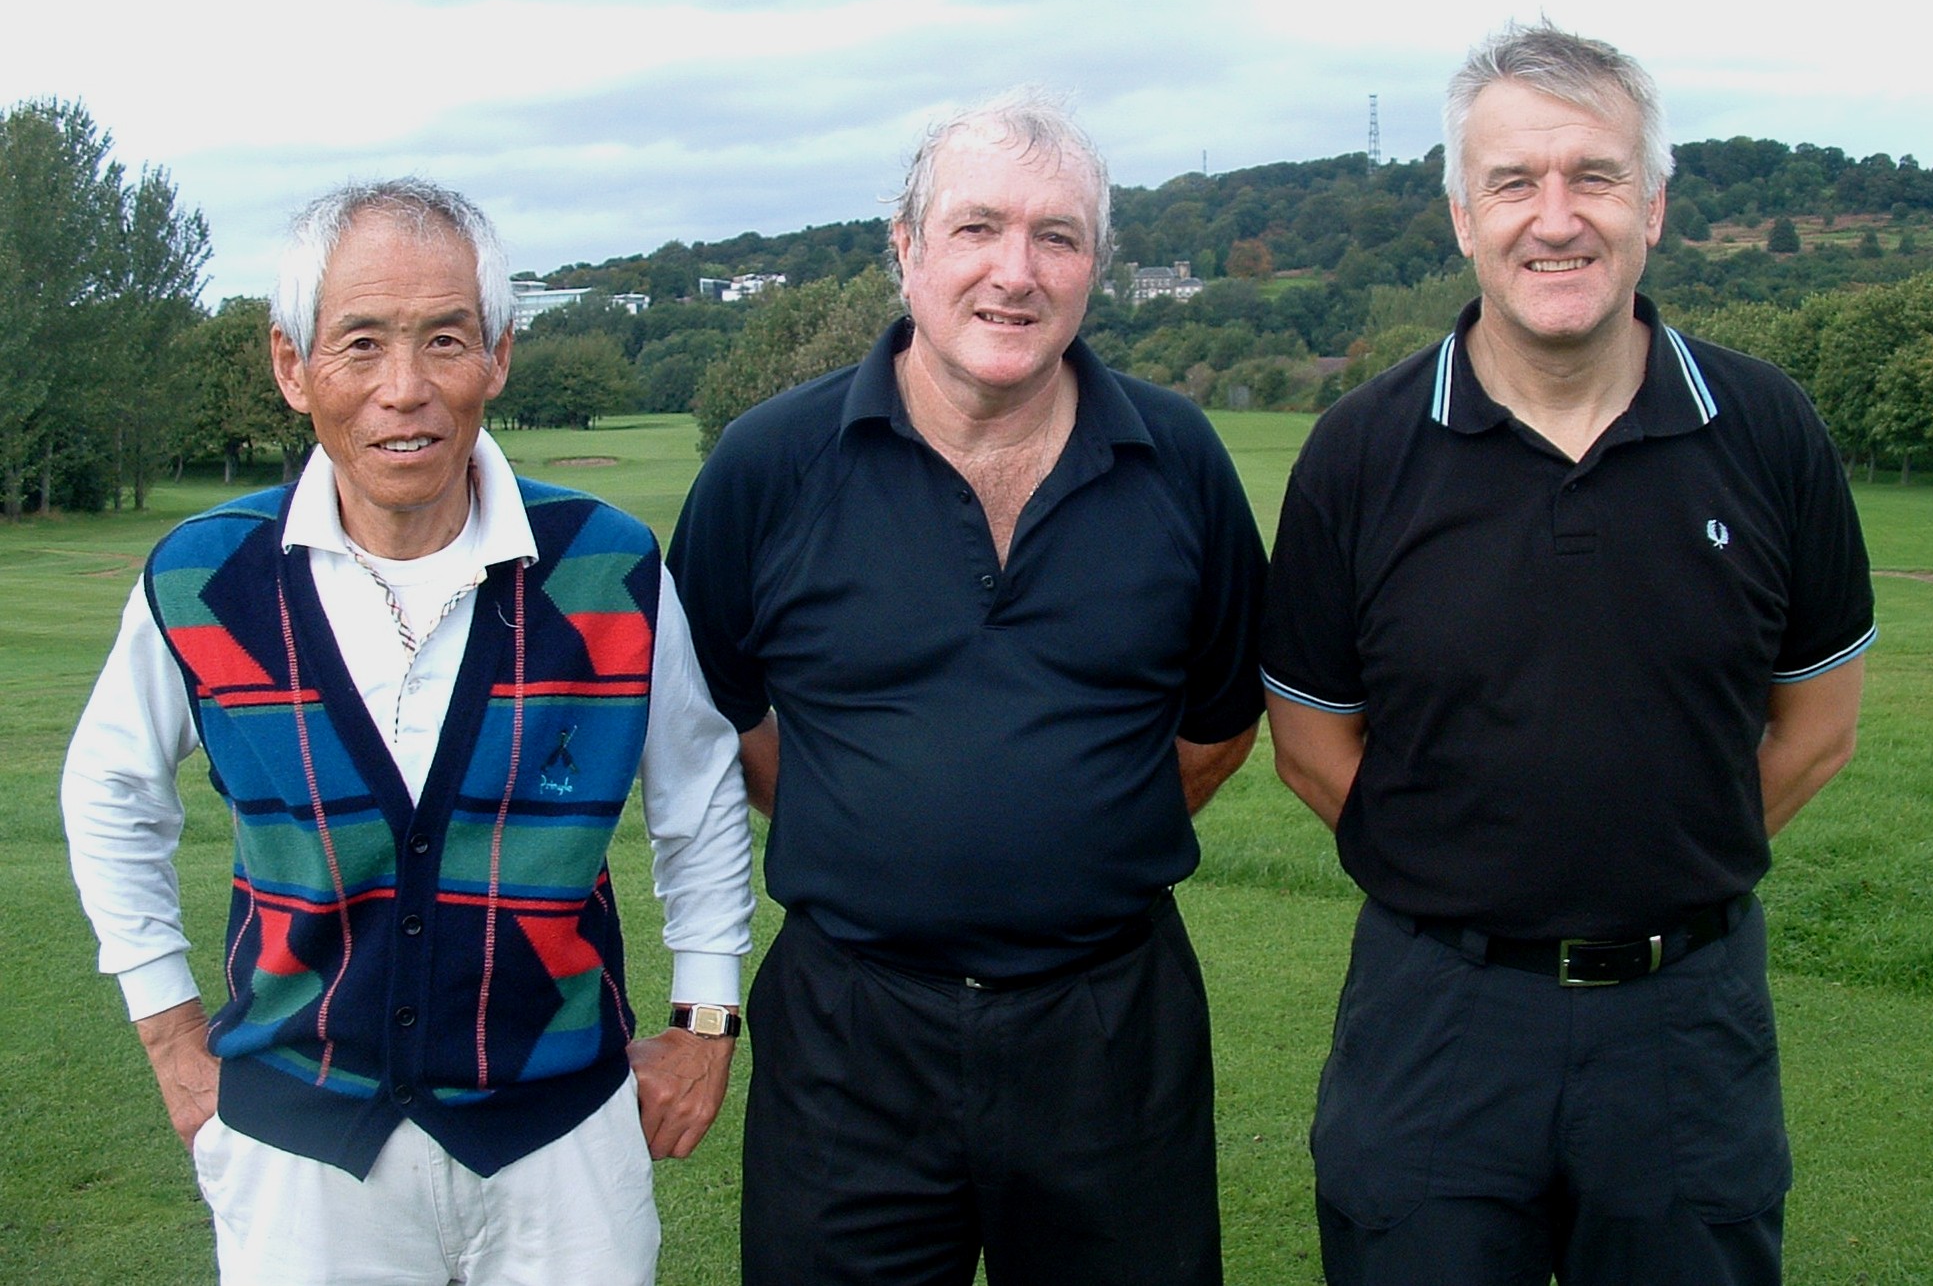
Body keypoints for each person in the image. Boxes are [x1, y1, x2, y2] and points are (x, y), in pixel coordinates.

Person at [1261, 23, 1875, 1286]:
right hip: (1435, 1024)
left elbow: (1818, 731)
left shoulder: (1769, 431)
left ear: (1652, 206)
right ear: (1461, 217)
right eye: (1513, 182)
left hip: (1687, 1028)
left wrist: (1656, 864)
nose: (1556, 218)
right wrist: (1472, 879)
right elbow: (1313, 748)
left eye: (1595, 175)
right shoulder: (1359, 453)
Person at [62, 177, 753, 1285]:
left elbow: (700, 789)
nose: (405, 389)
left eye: (444, 339)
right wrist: (166, 1029)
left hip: (559, 1142)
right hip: (299, 1148)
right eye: (361, 343)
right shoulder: (204, 578)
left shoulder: (608, 566)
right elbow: (108, 790)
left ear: (498, 356)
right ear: (293, 365)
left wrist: (707, 1016)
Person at [669, 90, 1266, 1285]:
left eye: (1057, 237)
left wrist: (1075, 832)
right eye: (977, 227)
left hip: (1111, 1033)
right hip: (850, 1041)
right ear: (906, 249)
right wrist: (865, 816)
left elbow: (1217, 723)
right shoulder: (769, 467)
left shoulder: (1180, 460)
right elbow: (712, 719)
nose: (1016, 272)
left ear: (1096, 266)